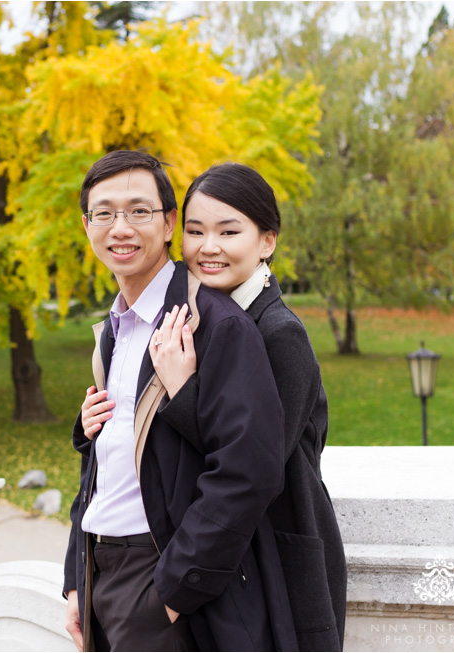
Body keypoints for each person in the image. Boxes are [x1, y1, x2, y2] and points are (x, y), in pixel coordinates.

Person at [63, 150, 298, 652]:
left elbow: (247, 471)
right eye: (104, 213)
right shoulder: (113, 330)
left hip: (161, 580)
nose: (120, 227)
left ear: (169, 223)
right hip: (100, 574)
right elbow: (104, 468)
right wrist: (75, 579)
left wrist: (170, 593)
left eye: (139, 211)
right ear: (87, 225)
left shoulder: (216, 325)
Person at [153, 162, 347, 651]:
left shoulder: (280, 334)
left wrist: (183, 391)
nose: (208, 247)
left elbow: (254, 459)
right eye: (195, 231)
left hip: (282, 551)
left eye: (228, 230)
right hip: (222, 552)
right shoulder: (193, 322)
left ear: (267, 241)